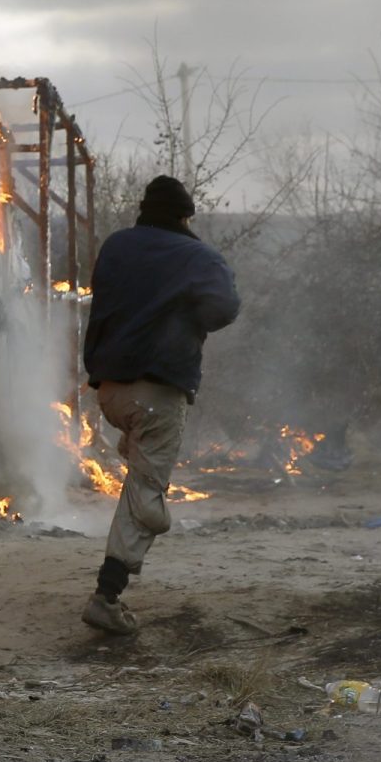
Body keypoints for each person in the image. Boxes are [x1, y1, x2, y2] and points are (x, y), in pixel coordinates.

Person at [79, 175, 239, 636]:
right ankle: (107, 596)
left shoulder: (117, 245)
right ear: (186, 216)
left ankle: (135, 518)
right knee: (147, 497)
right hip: (157, 393)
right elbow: (225, 308)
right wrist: (190, 315)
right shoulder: (198, 257)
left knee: (138, 475)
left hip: (110, 391)